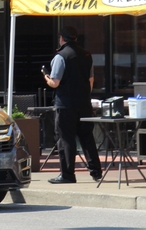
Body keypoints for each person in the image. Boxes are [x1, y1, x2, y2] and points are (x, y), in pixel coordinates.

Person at [42, 26, 103, 184]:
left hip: (65, 104)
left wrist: (46, 78)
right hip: (84, 103)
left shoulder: (60, 56)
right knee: (86, 137)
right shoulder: (87, 54)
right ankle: (96, 171)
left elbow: (55, 83)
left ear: (62, 38)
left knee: (66, 139)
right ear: (75, 38)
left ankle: (67, 174)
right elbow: (90, 82)